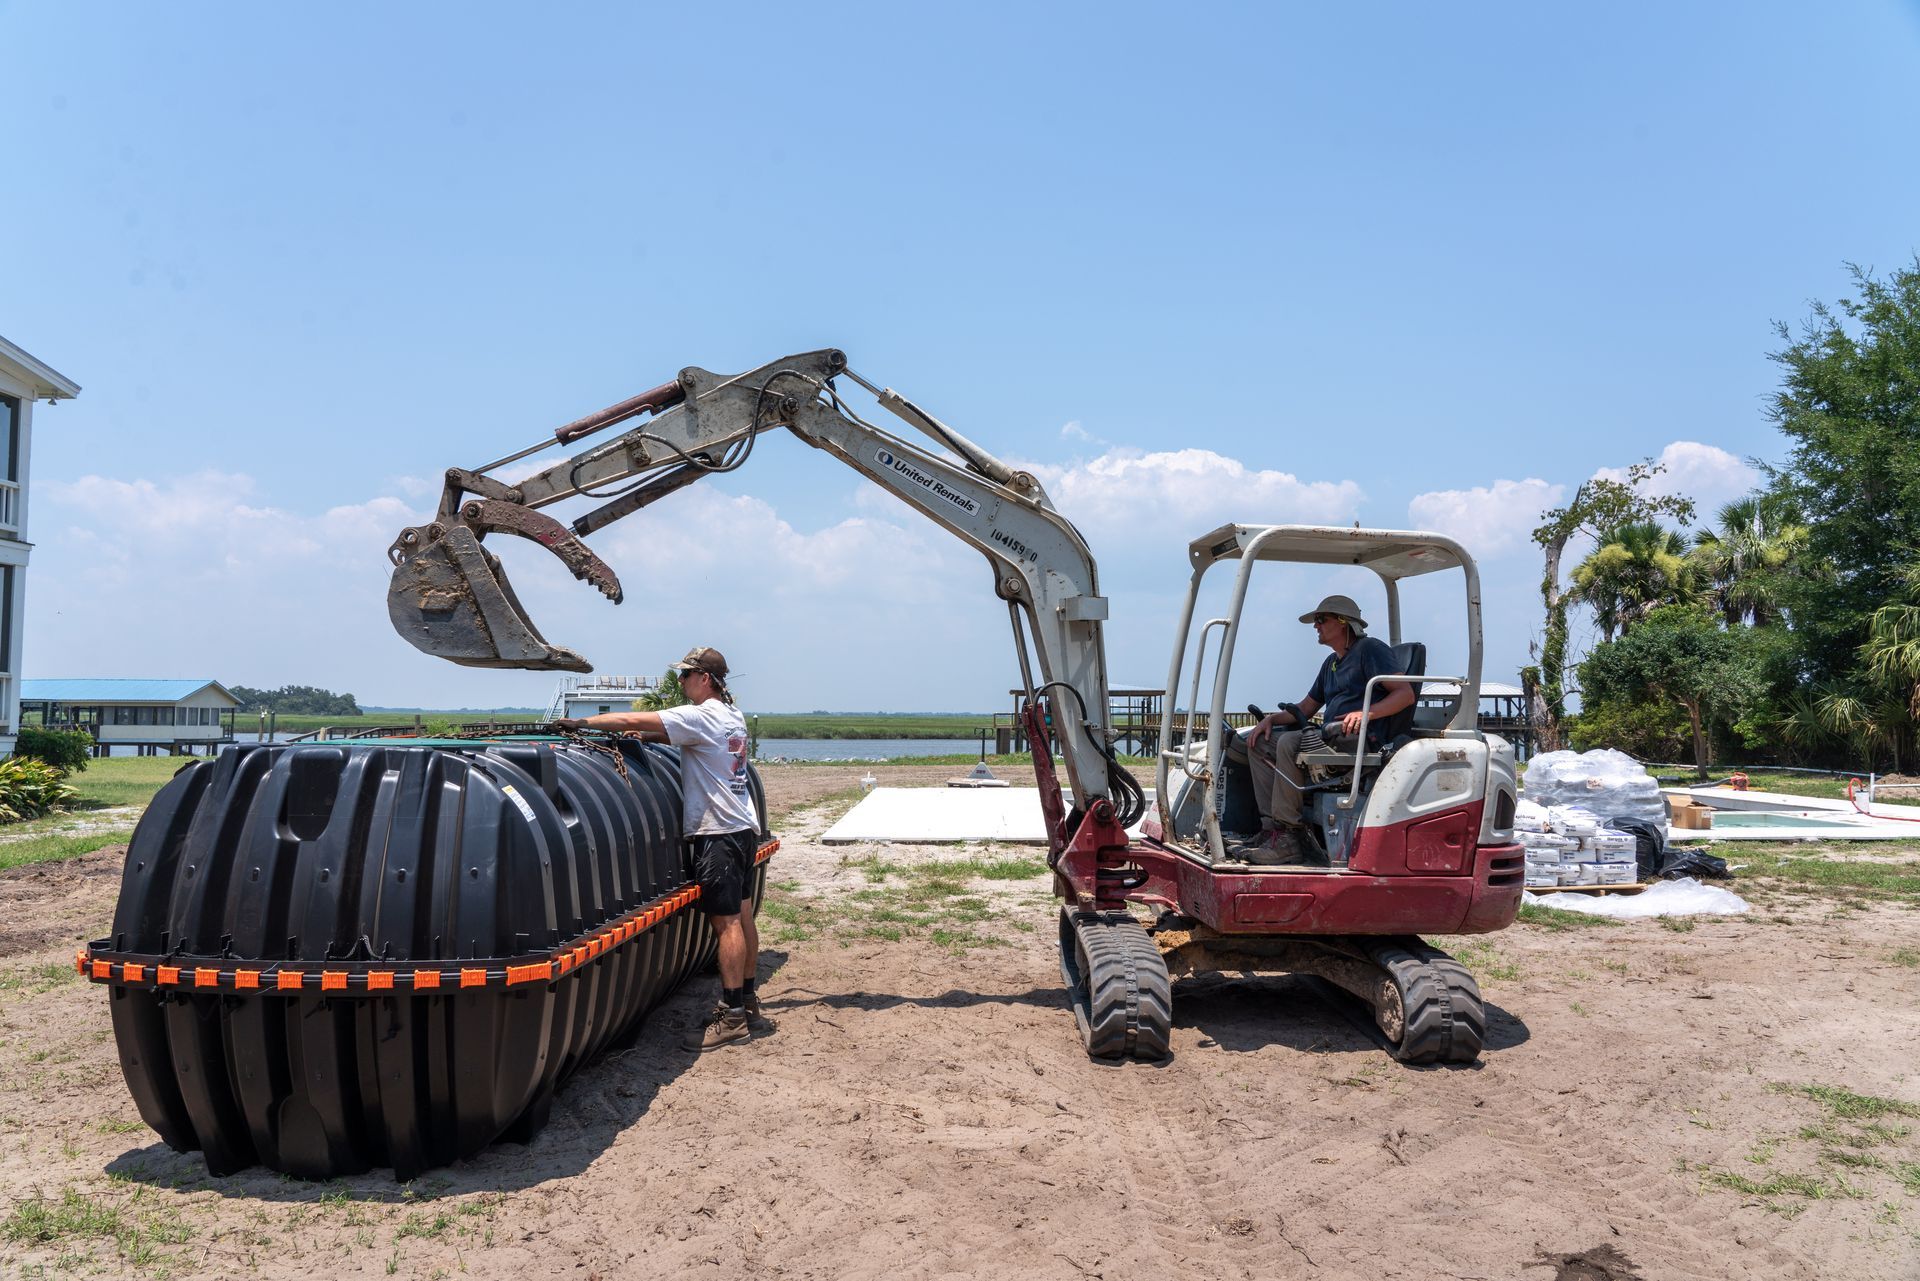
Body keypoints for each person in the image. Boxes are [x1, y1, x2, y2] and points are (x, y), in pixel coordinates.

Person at [555, 646, 771, 1051]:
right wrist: (647, 736)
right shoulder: (731, 716)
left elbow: (633, 716)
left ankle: (732, 1017)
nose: (681, 682)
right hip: (741, 827)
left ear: (704, 678)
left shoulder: (701, 715)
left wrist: (582, 721)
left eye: (686, 675)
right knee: (742, 917)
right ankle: (747, 999)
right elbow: (675, 736)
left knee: (725, 925)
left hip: (717, 833)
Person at [1223, 594, 1415, 864]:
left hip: (1359, 740)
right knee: (1260, 742)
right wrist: (1269, 721)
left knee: (1289, 743)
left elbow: (1405, 695)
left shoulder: (1370, 649)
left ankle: (1289, 837)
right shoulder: (1331, 664)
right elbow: (1306, 707)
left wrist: (1366, 713)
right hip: (1332, 737)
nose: (1316, 626)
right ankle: (1273, 830)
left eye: (1321, 620)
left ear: (1343, 622)